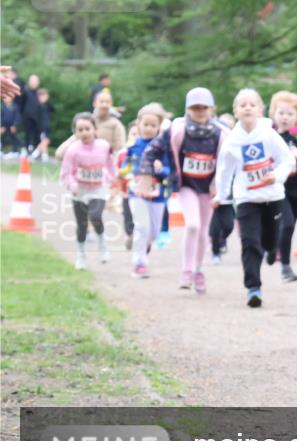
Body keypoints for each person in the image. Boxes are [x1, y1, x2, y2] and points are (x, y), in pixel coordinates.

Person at [140, 87, 227, 294]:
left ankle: (198, 270)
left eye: (203, 108)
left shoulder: (221, 134)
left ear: (211, 109)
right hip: (186, 185)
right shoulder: (176, 131)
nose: (199, 112)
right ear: (188, 109)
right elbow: (150, 151)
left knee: (203, 231)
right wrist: (147, 175)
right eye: (195, 108)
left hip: (209, 188)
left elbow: (234, 159)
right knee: (193, 225)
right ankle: (186, 270)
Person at [215, 89, 294, 307]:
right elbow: (224, 171)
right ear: (236, 111)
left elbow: (287, 161)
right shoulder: (232, 141)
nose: (247, 108)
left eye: (252, 105)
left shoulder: (269, 134)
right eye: (243, 105)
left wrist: (276, 176)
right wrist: (222, 195)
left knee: (269, 240)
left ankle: (272, 249)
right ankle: (253, 288)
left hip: (272, 195)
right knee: (250, 242)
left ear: (260, 110)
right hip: (246, 198)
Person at [268, 90, 297, 282]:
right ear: (273, 114)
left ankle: (273, 247)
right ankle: (286, 268)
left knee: (289, 227)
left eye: (290, 113)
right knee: (286, 224)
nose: (285, 117)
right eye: (281, 112)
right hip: (275, 189)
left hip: (296, 189)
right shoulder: (268, 135)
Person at [59, 112, 116, 270]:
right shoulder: (72, 150)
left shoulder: (104, 146)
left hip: (98, 188)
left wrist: (113, 178)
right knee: (82, 224)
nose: (84, 132)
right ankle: (81, 255)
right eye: (80, 130)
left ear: (95, 129)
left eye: (87, 128)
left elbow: (110, 164)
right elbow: (65, 173)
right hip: (80, 191)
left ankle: (102, 244)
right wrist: (72, 185)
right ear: (75, 132)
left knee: (95, 216)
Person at [124, 104, 171, 277]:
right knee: (141, 226)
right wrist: (125, 173)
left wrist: (161, 169)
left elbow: (169, 170)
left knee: (154, 233)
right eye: (146, 124)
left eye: (153, 125)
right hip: (136, 193)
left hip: (156, 195)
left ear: (159, 127)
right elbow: (126, 166)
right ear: (138, 124)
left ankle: (146, 243)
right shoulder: (133, 146)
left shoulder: (163, 148)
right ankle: (139, 264)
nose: (149, 128)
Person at [31, 87, 52, 161]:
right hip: (41, 127)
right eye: (42, 96)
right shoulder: (38, 106)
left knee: (45, 140)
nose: (45, 97)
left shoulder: (47, 106)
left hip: (47, 126)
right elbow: (37, 118)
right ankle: (37, 154)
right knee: (45, 141)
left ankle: (43, 155)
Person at [1, 93, 22, 158]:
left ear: (12, 98)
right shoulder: (3, 107)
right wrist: (1, 126)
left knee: (14, 137)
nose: (6, 99)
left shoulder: (15, 107)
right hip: (4, 126)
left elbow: (17, 117)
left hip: (12, 126)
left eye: (7, 97)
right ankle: (2, 151)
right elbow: (1, 117)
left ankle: (16, 151)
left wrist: (15, 125)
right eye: (4, 98)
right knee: (2, 137)